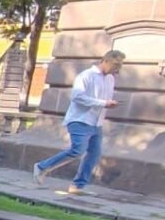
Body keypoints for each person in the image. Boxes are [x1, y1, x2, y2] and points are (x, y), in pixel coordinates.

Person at [33, 50, 124, 195]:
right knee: (77, 150)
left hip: (96, 123)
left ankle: (77, 186)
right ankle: (42, 167)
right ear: (105, 61)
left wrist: (109, 103)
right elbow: (77, 97)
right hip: (80, 119)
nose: (117, 69)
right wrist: (103, 103)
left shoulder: (110, 79)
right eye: (115, 65)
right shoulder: (86, 76)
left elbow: (103, 100)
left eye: (119, 66)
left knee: (94, 155)